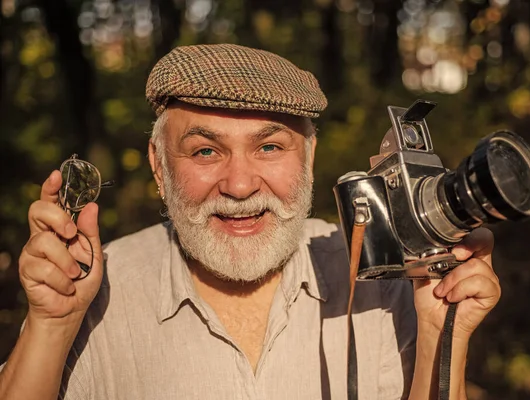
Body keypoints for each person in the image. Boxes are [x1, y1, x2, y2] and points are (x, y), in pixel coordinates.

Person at [0, 44, 500, 399]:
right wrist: (53, 325)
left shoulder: (378, 279)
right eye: (204, 150)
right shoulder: (95, 289)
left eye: (268, 147)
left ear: (307, 157)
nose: (240, 186)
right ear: (159, 166)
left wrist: (441, 332)